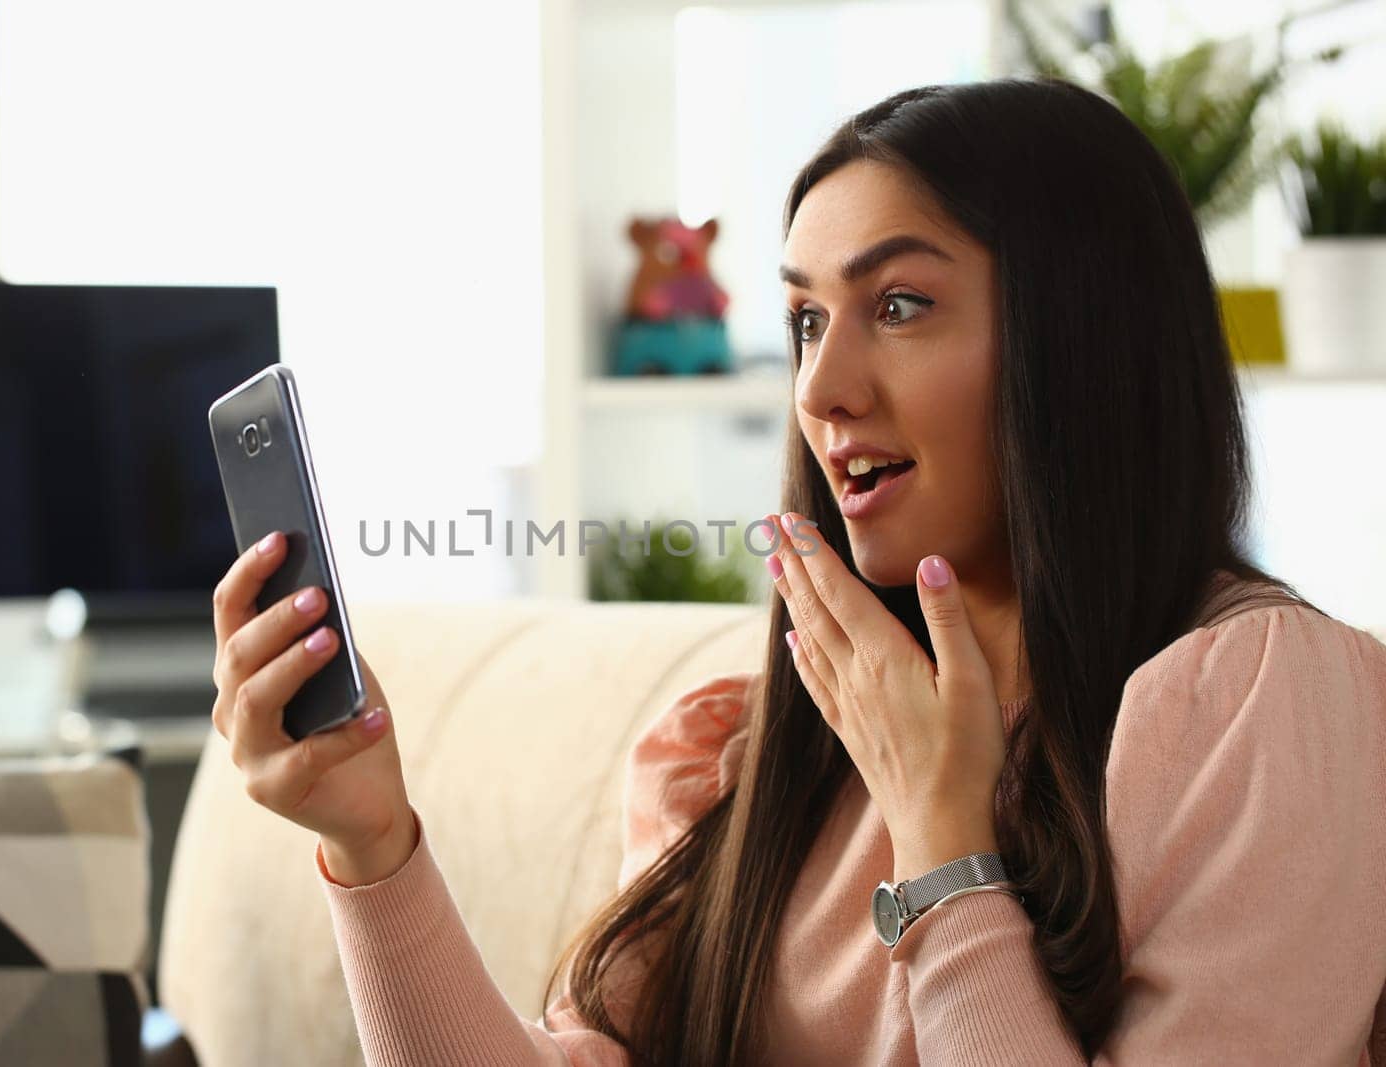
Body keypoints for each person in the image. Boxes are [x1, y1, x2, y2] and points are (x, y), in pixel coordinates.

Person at [208, 77, 1386, 1065]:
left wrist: (941, 842)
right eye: (808, 321)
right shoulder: (747, 751)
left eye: (901, 303)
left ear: (1082, 339)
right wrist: (373, 844)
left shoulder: (1262, 701)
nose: (819, 391)